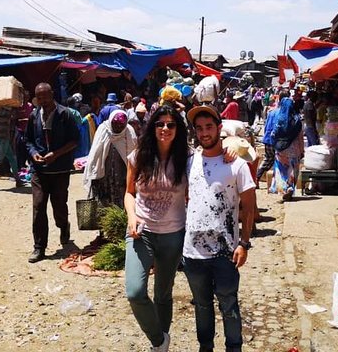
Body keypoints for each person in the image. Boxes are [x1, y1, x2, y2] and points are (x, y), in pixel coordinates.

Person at [184, 105, 256, 352]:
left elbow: (249, 207)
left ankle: (234, 347)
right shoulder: (189, 162)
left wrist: (244, 244)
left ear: (218, 128)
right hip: (193, 253)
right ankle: (206, 347)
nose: (204, 133)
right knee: (202, 306)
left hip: (225, 252)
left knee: (229, 303)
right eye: (199, 128)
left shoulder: (236, 166)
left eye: (209, 127)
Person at [124, 104, 188, 352]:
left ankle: (161, 346)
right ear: (152, 127)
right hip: (141, 232)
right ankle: (159, 340)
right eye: (160, 124)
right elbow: (129, 193)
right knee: (135, 291)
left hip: (173, 235)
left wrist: (228, 153)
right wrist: (131, 216)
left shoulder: (187, 158)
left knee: (163, 294)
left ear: (177, 129)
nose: (165, 128)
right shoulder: (138, 156)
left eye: (171, 124)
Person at [25, 83, 80, 263]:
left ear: (52, 94)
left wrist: (55, 154)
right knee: (39, 206)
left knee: (59, 206)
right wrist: (34, 154)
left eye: (45, 97)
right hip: (39, 171)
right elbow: (28, 141)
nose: (42, 101)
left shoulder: (66, 114)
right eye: (39, 97)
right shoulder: (34, 115)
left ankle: (64, 226)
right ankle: (39, 247)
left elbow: (75, 141)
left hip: (60, 170)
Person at [84, 110, 137, 209]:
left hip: (123, 173)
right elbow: (95, 153)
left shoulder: (129, 131)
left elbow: (133, 153)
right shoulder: (103, 129)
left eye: (121, 126)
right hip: (104, 173)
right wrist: (94, 172)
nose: (118, 128)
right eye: (115, 125)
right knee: (104, 200)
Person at [270, 97, 304, 202]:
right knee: (293, 170)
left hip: (281, 151)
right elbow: (300, 137)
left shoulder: (279, 119)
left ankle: (284, 189)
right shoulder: (297, 120)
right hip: (295, 150)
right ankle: (290, 188)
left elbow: (273, 134)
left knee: (281, 171)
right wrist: (302, 150)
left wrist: (275, 144)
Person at [255, 100, 279, 187]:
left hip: (267, 139)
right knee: (278, 160)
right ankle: (276, 183)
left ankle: (256, 178)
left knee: (268, 159)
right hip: (276, 140)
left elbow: (266, 126)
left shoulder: (271, 113)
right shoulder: (281, 113)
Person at [15, 90, 34, 170]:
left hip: (27, 130)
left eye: (27, 97)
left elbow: (31, 117)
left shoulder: (30, 106)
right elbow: (16, 118)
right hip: (20, 130)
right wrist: (21, 120)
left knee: (27, 148)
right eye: (24, 97)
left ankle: (26, 164)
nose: (25, 99)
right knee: (19, 148)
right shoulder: (18, 106)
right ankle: (20, 165)